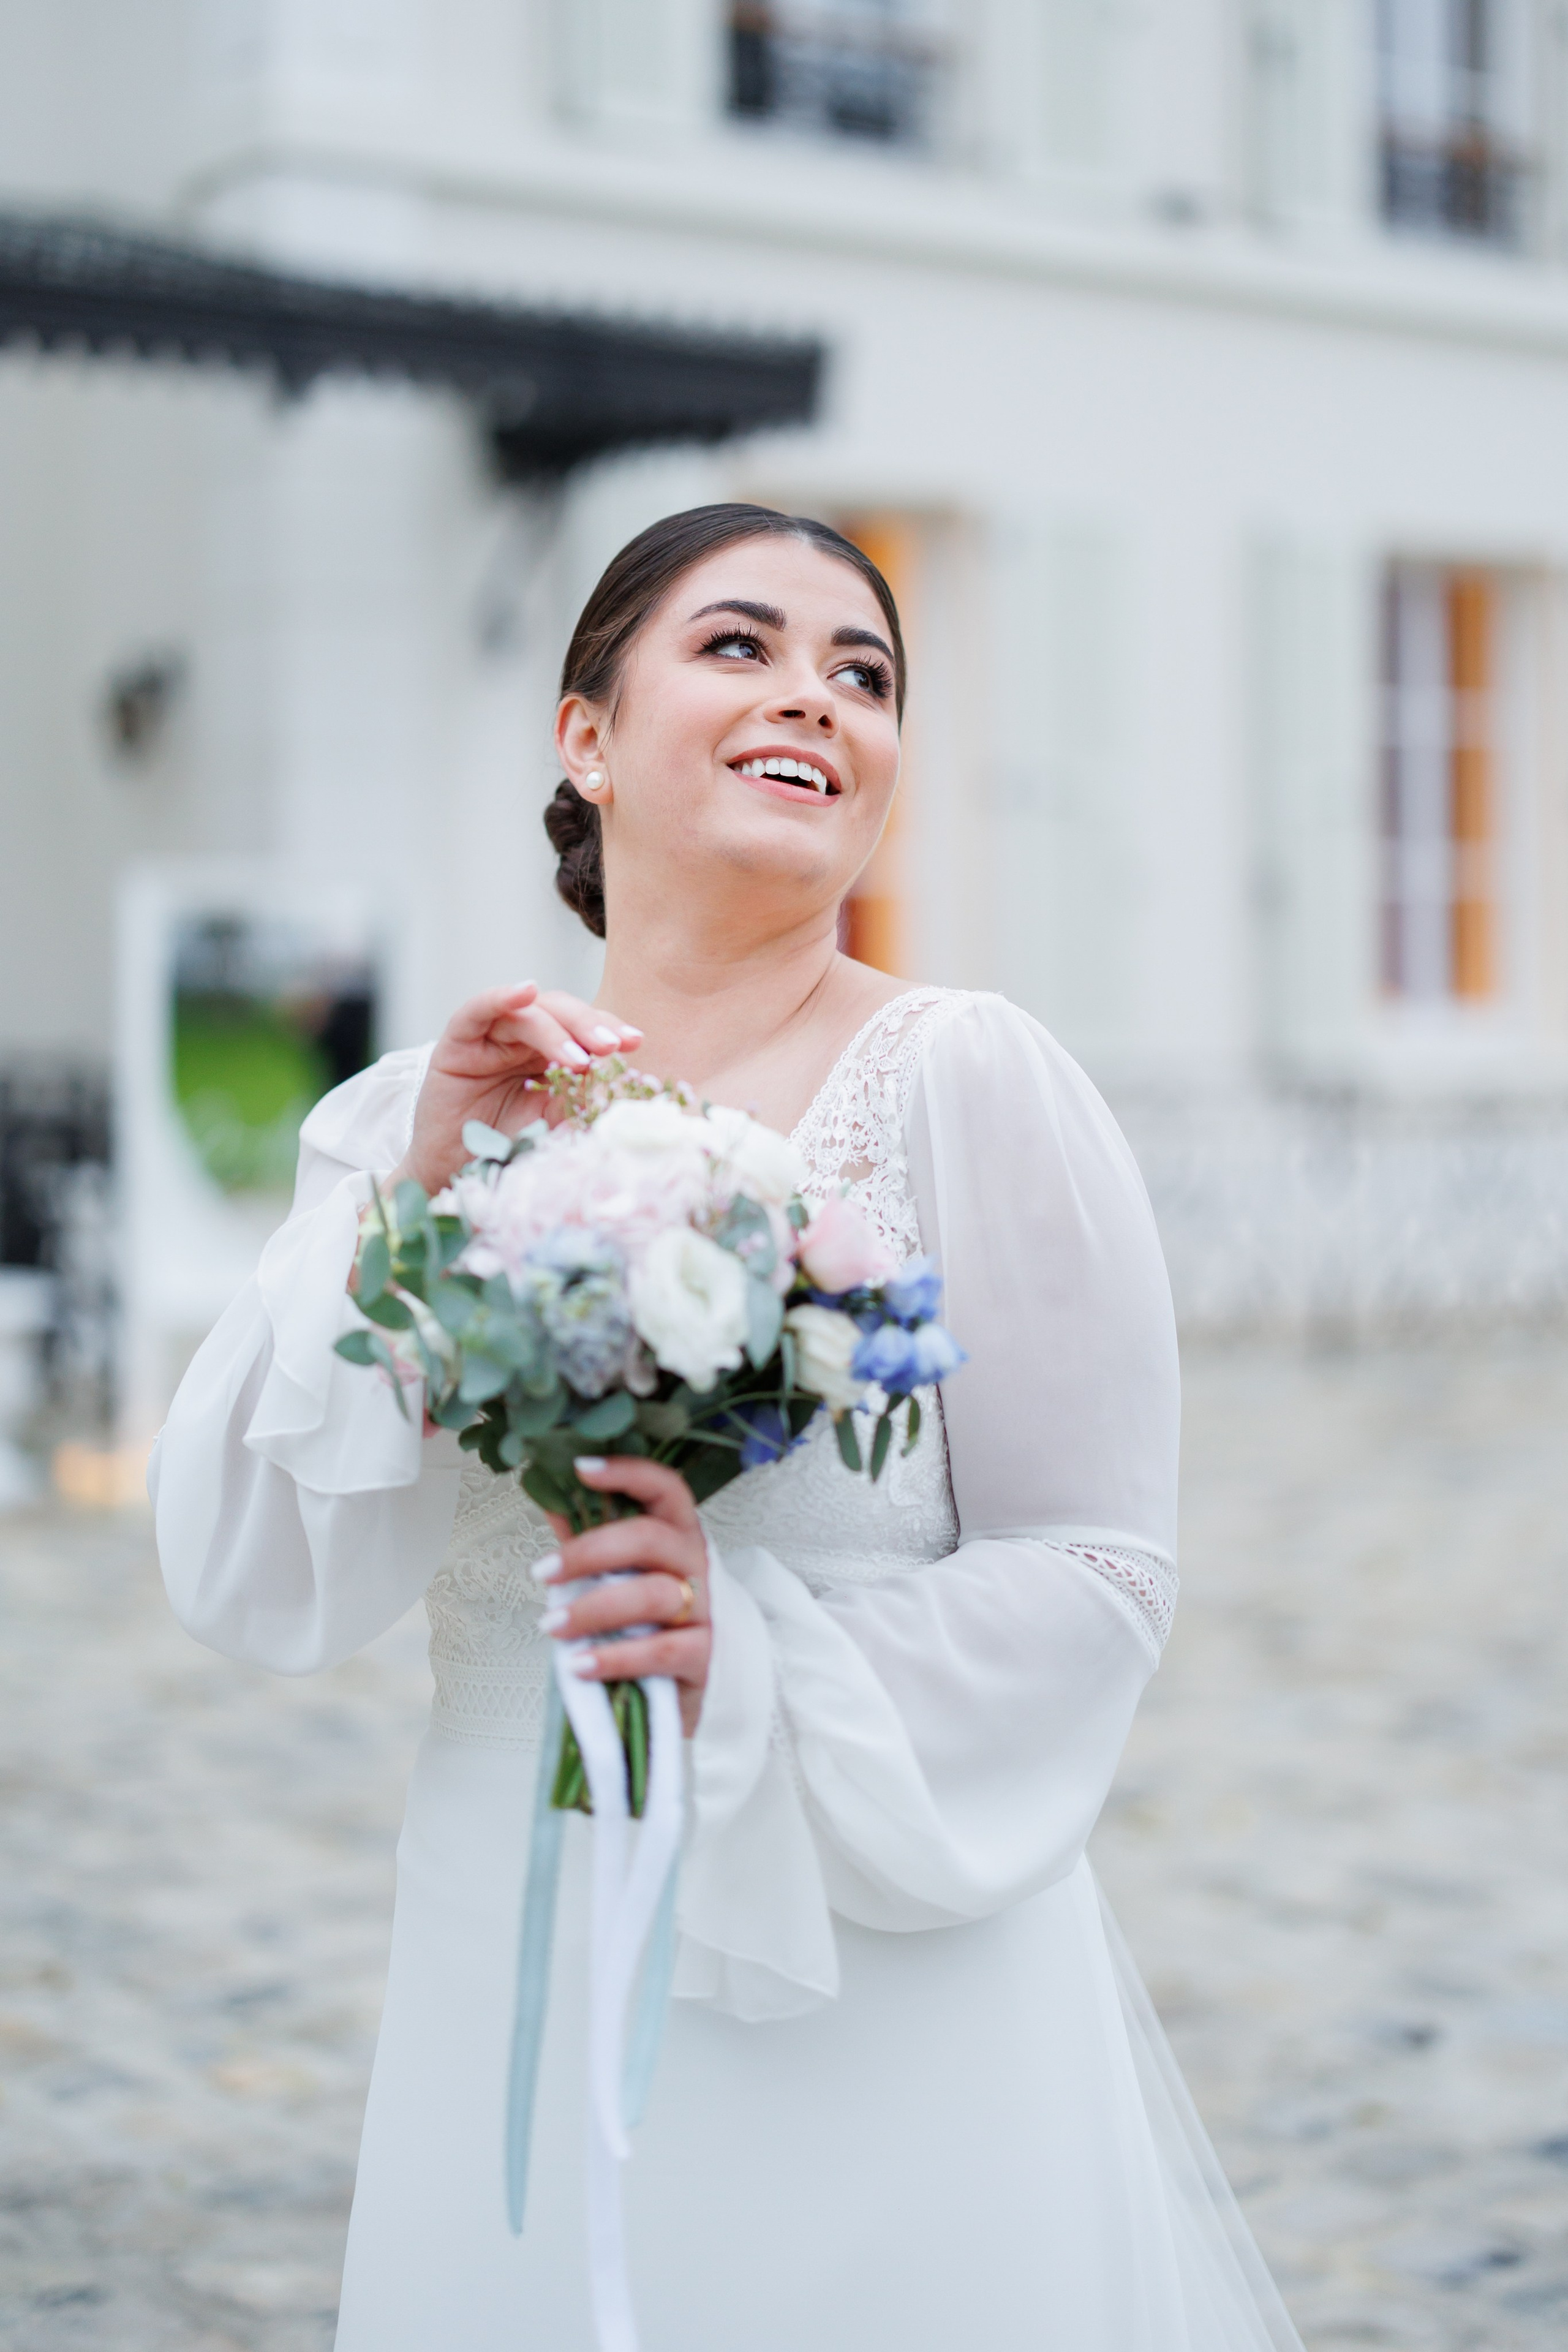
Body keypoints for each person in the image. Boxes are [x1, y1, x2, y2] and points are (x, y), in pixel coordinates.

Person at [151, 503, 1303, 2351]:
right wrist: (414, 1207)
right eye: (743, 646)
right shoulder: (408, 1120)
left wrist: (746, 1664)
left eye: (867, 673)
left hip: (870, 1960)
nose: (819, 699)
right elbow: (247, 1573)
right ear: (586, 735)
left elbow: (1100, 1566)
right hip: (505, 1928)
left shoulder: (967, 1079)